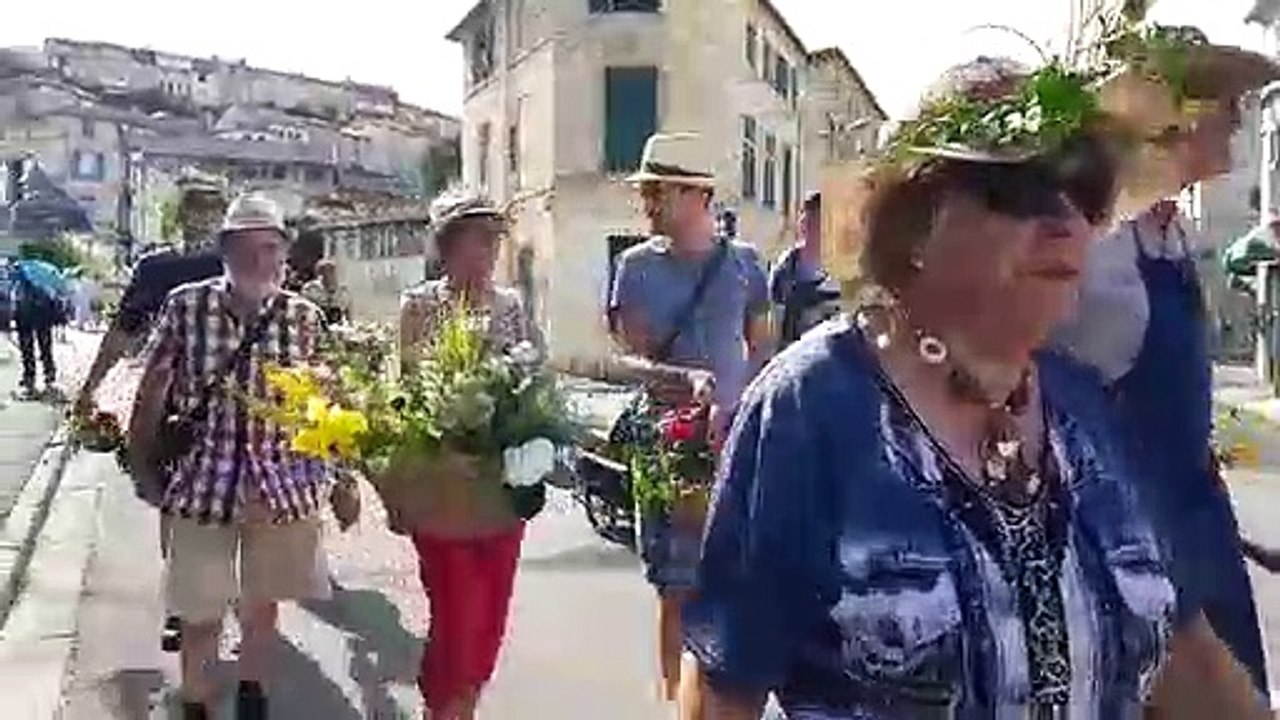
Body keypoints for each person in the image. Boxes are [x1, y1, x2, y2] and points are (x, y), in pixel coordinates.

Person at [679, 57, 1269, 719]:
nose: (1065, 223)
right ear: (915, 223)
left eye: (1087, 195)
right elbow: (722, 690)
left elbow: (1183, 655)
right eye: (1018, 191)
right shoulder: (813, 406)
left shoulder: (1085, 408)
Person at [1054, 27, 1280, 694]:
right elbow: (1066, 411)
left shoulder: (1169, 231)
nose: (1240, 118)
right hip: (1132, 537)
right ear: (1177, 118)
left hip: (1197, 516)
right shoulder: (1102, 247)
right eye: (1225, 102)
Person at [127, 193, 331, 720]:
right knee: (199, 613)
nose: (261, 261)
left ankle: (252, 695)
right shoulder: (186, 305)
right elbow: (152, 385)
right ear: (224, 251)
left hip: (280, 488)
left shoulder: (304, 317)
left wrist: (341, 477)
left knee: (263, 604)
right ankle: (196, 701)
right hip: (202, 485)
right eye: (247, 250)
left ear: (285, 253)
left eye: (271, 249)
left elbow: (325, 405)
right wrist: (142, 462)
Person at [608, 132, 769, 703]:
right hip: (668, 449)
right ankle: (677, 705)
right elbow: (628, 360)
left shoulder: (747, 265)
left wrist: (748, 413)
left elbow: (764, 352)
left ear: (695, 194)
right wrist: (683, 381)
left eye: (656, 191)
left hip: (734, 447)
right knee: (675, 590)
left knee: (731, 587)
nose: (645, 203)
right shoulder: (633, 267)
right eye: (646, 191)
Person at [396, 194, 541, 720]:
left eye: (493, 240)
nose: (487, 252)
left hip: (501, 496)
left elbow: (533, 381)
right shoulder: (419, 308)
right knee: (456, 618)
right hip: (442, 495)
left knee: (489, 625)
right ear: (448, 246)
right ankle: (445, 710)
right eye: (477, 239)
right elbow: (405, 398)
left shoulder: (511, 307)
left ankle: (459, 709)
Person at [75, 185, 226, 654]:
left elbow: (124, 331)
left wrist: (89, 388)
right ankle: (191, 605)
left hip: (202, 405)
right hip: (186, 404)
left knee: (190, 507)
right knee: (187, 505)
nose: (202, 220)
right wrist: (91, 386)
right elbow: (124, 331)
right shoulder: (179, 266)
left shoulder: (173, 266)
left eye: (208, 211)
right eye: (198, 211)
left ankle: (197, 603)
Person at [769, 192, 839, 349]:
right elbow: (773, 324)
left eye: (818, 223)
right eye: (807, 221)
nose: (811, 230)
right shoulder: (784, 270)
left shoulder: (842, 273)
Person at [7, 260, 64, 398]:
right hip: (42, 320)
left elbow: (16, 305)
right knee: (45, 347)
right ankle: (49, 375)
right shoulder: (45, 286)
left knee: (27, 350)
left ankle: (29, 378)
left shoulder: (19, 286)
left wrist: (13, 318)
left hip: (25, 320)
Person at [301, 258, 350, 326]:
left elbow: (347, 312)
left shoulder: (343, 290)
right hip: (316, 326)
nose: (330, 274)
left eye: (332, 271)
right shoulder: (311, 289)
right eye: (325, 271)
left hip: (337, 327)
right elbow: (304, 311)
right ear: (319, 273)